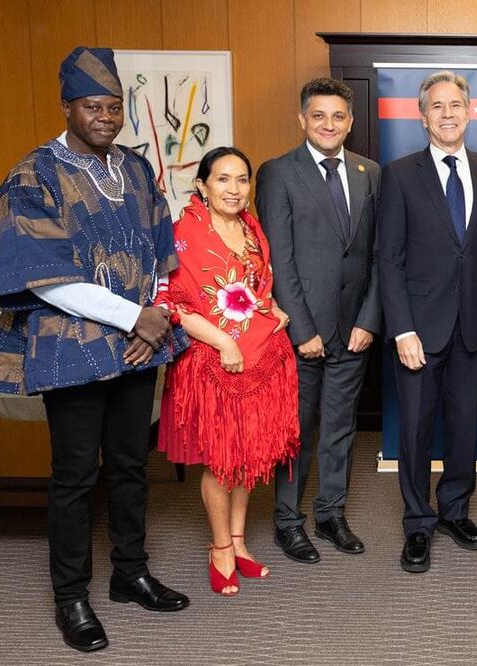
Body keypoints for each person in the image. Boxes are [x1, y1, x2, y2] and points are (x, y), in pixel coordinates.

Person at [0, 47, 189, 652]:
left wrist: (157, 314)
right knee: (74, 476)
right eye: (93, 106)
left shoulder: (136, 169)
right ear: (66, 106)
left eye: (114, 107)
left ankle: (130, 573)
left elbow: (162, 252)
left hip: (140, 344)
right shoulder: (33, 175)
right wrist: (136, 317)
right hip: (70, 346)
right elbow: (45, 278)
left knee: (130, 464)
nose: (105, 117)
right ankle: (70, 597)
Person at [378, 70, 477, 573]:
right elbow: (389, 259)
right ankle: (418, 522)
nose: (448, 113)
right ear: (422, 116)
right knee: (415, 429)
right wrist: (402, 329)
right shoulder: (399, 174)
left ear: (469, 111)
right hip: (419, 328)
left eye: (455, 104)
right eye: (437, 106)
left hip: (474, 326)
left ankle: (455, 511)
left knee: (463, 425)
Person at [155, 147, 299, 596]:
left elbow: (259, 287)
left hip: (259, 356)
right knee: (221, 461)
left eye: (242, 179)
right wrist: (224, 341)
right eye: (223, 179)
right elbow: (175, 304)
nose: (234, 189)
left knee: (248, 455)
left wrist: (274, 308)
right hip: (213, 359)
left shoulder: (251, 227)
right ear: (202, 185)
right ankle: (219, 548)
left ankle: (238, 542)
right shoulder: (184, 234)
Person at [256, 77, 381, 564]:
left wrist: (369, 320)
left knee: (340, 429)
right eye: (318, 115)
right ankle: (289, 520)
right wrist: (301, 330)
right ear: (302, 119)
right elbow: (278, 259)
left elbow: (378, 254)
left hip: (354, 331)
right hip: (301, 332)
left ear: (350, 122)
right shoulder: (278, 173)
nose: (328, 124)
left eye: (338, 116)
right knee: (297, 432)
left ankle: (331, 514)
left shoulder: (370, 172)